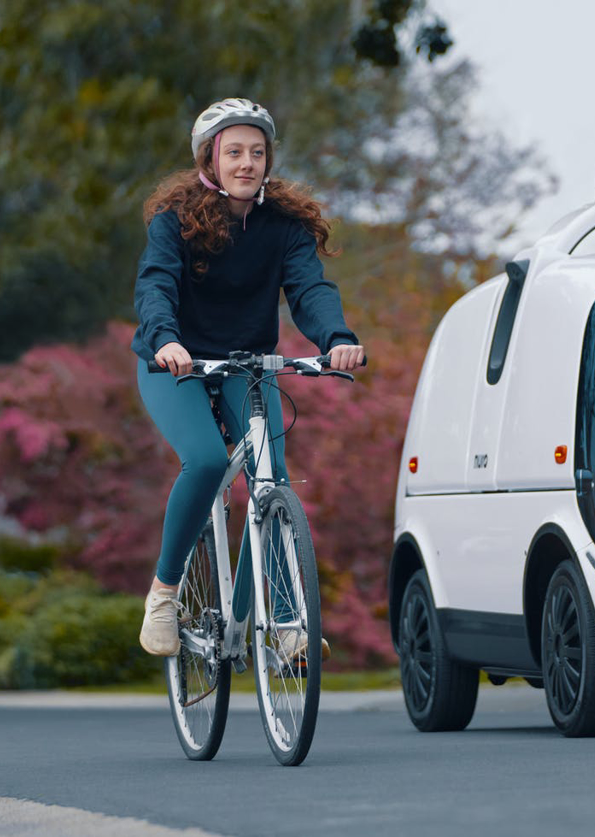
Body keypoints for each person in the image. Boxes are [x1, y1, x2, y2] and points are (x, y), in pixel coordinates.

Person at [132, 97, 366, 658]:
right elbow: (156, 284)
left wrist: (336, 339)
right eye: (233, 151)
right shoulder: (176, 222)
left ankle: (286, 625)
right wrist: (166, 339)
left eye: (257, 153)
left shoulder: (283, 227)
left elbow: (310, 289)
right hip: (175, 364)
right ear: (210, 159)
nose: (247, 163)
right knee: (209, 461)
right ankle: (164, 594)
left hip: (243, 363)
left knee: (271, 474)